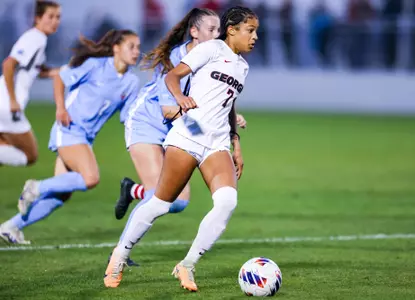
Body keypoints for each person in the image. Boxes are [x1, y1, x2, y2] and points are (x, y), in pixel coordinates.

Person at [104, 6, 258, 292]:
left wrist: (236, 144)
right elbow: (172, 77)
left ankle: (186, 265)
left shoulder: (242, 67)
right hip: (188, 136)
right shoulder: (210, 49)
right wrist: (179, 98)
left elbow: (229, 104)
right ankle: (120, 255)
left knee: (227, 202)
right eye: (250, 30)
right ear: (232, 29)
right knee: (161, 204)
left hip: (216, 143)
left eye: (256, 31)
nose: (255, 37)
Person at [0, 30, 141, 245]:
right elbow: (60, 78)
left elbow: (127, 115)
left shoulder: (131, 82)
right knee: (90, 178)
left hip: (85, 137)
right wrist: (60, 109)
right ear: (116, 48)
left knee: (60, 196)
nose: (136, 51)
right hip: (68, 129)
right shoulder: (95, 65)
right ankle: (36, 187)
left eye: (138, 47)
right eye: (131, 46)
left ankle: (11, 226)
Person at [114, 8, 247, 221]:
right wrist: (207, 130)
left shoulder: (211, 59)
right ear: (194, 32)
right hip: (146, 123)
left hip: (175, 128)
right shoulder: (177, 59)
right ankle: (118, 254)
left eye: (218, 30)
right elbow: (168, 111)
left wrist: (226, 116)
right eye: (211, 30)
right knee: (156, 198)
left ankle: (131, 191)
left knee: (179, 202)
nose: (217, 35)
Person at [0, 1, 61, 167]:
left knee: (6, 149)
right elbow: (8, 64)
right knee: (29, 155)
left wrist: (60, 71)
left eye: (58, 17)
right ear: (38, 18)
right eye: (50, 16)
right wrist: (13, 100)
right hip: (7, 105)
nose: (55, 21)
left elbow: (37, 70)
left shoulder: (39, 39)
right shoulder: (35, 38)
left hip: (4, 103)